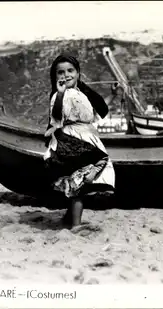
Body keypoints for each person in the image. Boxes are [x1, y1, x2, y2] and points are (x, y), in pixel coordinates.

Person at [44, 54, 116, 228]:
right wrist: (60, 94)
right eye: (61, 72)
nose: (66, 75)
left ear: (78, 73)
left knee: (77, 180)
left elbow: (95, 111)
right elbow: (56, 117)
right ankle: (75, 225)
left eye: (70, 70)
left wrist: (113, 95)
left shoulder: (81, 93)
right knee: (79, 183)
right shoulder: (59, 96)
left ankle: (69, 219)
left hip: (86, 137)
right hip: (72, 139)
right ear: (55, 77)